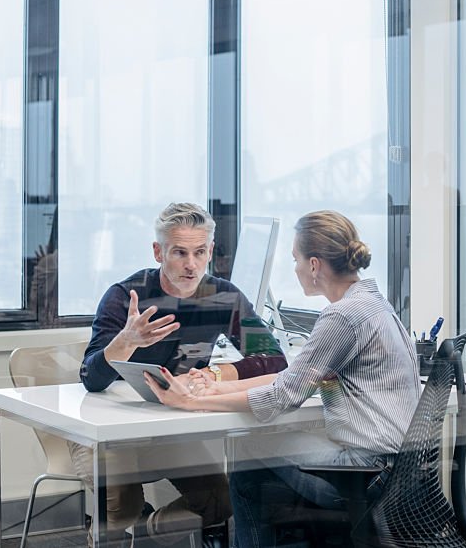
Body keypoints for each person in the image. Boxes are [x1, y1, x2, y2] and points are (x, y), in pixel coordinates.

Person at [144, 210, 420, 547]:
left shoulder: (342, 316)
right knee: (252, 477)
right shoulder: (374, 304)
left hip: (367, 473)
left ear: (315, 265)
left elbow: (281, 397)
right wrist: (219, 386)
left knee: (245, 450)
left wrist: (192, 401)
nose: (296, 269)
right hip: (398, 473)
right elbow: (293, 378)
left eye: (296, 260)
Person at [71, 202, 288, 547]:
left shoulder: (223, 296)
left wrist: (215, 374)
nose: (191, 265)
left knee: (221, 498)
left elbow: (274, 360)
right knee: (119, 506)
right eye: (179, 253)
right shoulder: (125, 296)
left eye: (200, 252)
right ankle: (120, 526)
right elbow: (91, 378)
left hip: (166, 426)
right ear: (158, 252)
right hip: (107, 431)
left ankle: (149, 531)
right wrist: (124, 342)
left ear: (211, 251)